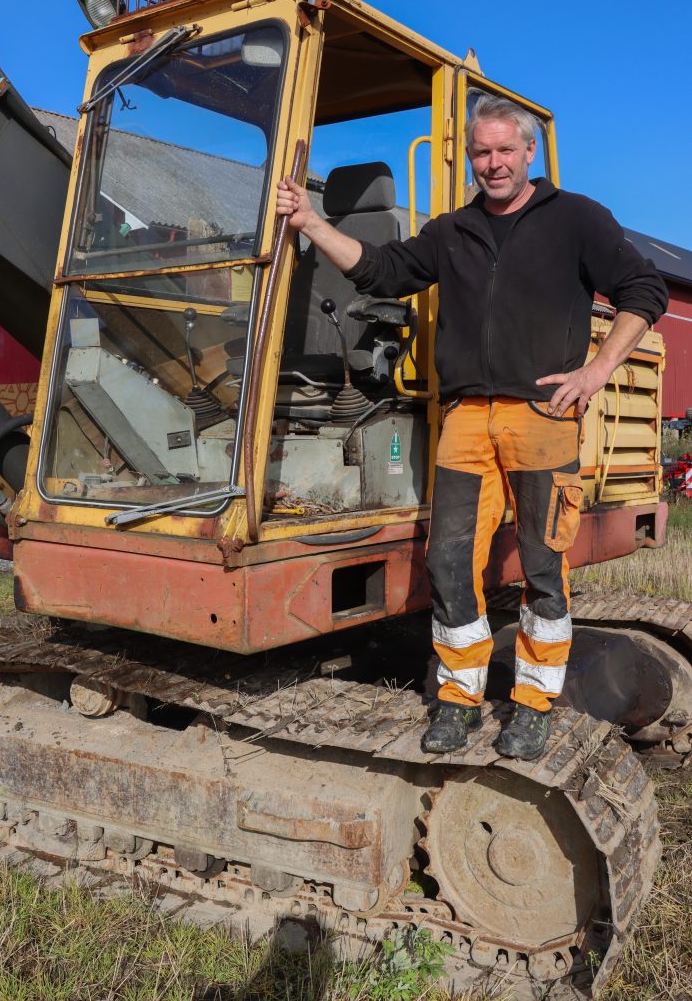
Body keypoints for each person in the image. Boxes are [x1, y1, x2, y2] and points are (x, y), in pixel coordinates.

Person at [275, 95, 668, 760]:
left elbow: (642, 290)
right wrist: (310, 221)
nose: (492, 163)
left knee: (543, 567)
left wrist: (596, 370)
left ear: (527, 153)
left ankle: (534, 705)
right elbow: (382, 271)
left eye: (503, 151)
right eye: (481, 153)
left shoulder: (575, 219)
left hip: (541, 418)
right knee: (449, 562)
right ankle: (457, 700)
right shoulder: (451, 230)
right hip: (463, 419)